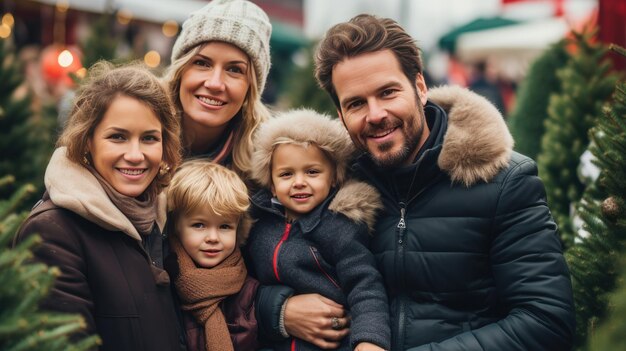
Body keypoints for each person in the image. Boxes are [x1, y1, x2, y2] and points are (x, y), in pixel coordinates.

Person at [260, 14, 576, 350]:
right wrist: (277, 310)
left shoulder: (504, 182)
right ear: (340, 115)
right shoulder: (329, 183)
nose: (376, 113)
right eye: (356, 103)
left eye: (387, 92)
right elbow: (261, 265)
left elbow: (546, 322)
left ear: (421, 87)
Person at [14, 62, 183, 350]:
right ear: (87, 141)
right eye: (117, 136)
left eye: (149, 138)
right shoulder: (52, 232)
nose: (135, 154)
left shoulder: (160, 220)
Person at [245, 109, 390, 351]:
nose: (299, 181)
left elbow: (365, 288)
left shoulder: (339, 228)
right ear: (271, 184)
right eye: (286, 174)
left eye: (312, 172)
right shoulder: (257, 224)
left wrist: (370, 341)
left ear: (334, 178)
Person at [163, 0, 272, 178]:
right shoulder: (134, 123)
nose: (214, 84)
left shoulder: (268, 166)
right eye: (202, 63)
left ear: (250, 88)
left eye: (234, 70)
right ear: (180, 71)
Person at [164, 160, 259, 351]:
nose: (213, 238)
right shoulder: (164, 279)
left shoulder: (249, 290)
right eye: (199, 225)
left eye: (225, 226)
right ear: (176, 226)